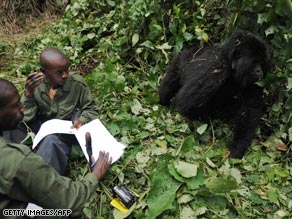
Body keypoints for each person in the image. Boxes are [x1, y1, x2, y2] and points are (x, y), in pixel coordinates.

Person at [0, 78, 112, 219]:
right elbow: (68, 200)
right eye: (16, 105)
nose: (22, 106)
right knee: (68, 212)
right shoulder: (18, 160)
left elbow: (90, 108)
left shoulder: (77, 85)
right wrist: (95, 175)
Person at [3, 47, 99, 175]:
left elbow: (91, 109)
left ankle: (40, 179)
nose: (65, 75)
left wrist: (82, 120)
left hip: (64, 131)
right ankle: (9, 163)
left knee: (51, 141)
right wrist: (28, 94)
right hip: (41, 127)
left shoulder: (77, 84)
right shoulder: (36, 86)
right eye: (59, 72)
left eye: (66, 70)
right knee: (11, 126)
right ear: (44, 71)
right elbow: (25, 118)